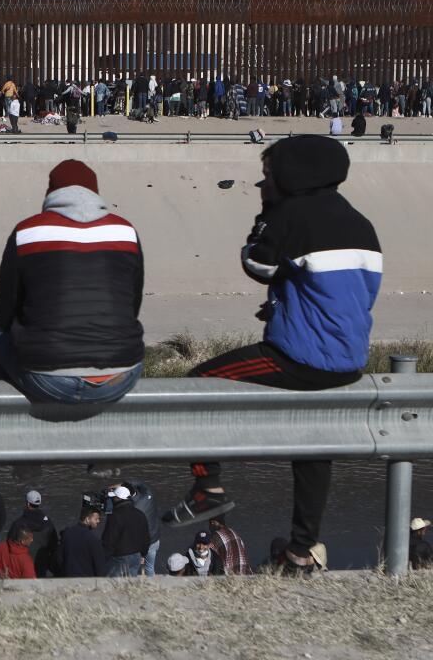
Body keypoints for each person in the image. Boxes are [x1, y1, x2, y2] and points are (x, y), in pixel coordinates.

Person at [163, 136, 382, 578]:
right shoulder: (360, 222)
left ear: (291, 175)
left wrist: (266, 217)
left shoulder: (292, 214)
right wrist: (288, 301)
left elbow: (257, 264)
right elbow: (342, 292)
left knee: (197, 382)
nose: (263, 181)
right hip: (350, 362)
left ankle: (208, 485)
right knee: (314, 450)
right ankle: (300, 552)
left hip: (300, 357)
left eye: (269, 174)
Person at [0, 160, 144, 405]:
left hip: (49, 379)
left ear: (50, 193)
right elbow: (133, 305)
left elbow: (3, 314)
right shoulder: (125, 231)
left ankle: (5, 423)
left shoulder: (27, 232)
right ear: (95, 192)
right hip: (121, 374)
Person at [7, 489, 58, 578]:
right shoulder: (48, 523)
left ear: (27, 504)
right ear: (39, 504)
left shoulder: (18, 524)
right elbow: (54, 545)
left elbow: (9, 545)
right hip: (42, 563)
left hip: (23, 565)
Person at [102, 486, 150, 577]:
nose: (112, 499)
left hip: (119, 558)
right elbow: (146, 538)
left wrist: (103, 557)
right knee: (129, 584)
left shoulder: (115, 516)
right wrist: (143, 554)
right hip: (136, 556)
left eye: (114, 497)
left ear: (118, 498)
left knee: (113, 584)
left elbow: (109, 540)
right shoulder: (140, 514)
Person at [122, 481, 160, 576]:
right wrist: (128, 483)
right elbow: (142, 485)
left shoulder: (130, 509)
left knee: (133, 568)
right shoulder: (148, 495)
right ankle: (152, 587)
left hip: (140, 545)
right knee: (150, 567)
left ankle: (132, 586)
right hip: (154, 540)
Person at [59, 507, 107, 578]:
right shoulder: (93, 540)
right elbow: (99, 567)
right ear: (87, 519)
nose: (98, 521)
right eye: (96, 519)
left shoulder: (67, 533)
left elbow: (59, 557)